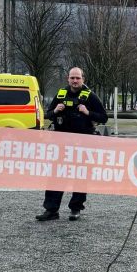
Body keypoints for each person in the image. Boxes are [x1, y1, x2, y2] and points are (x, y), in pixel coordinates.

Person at [36, 67, 108, 221]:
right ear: (67, 79)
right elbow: (47, 115)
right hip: (61, 144)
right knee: (56, 176)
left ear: (83, 79)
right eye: (72, 78)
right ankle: (51, 210)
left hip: (83, 144)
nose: (75, 81)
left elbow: (104, 117)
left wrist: (88, 113)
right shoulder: (60, 94)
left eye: (78, 78)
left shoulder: (90, 97)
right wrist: (55, 111)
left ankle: (76, 209)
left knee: (80, 177)